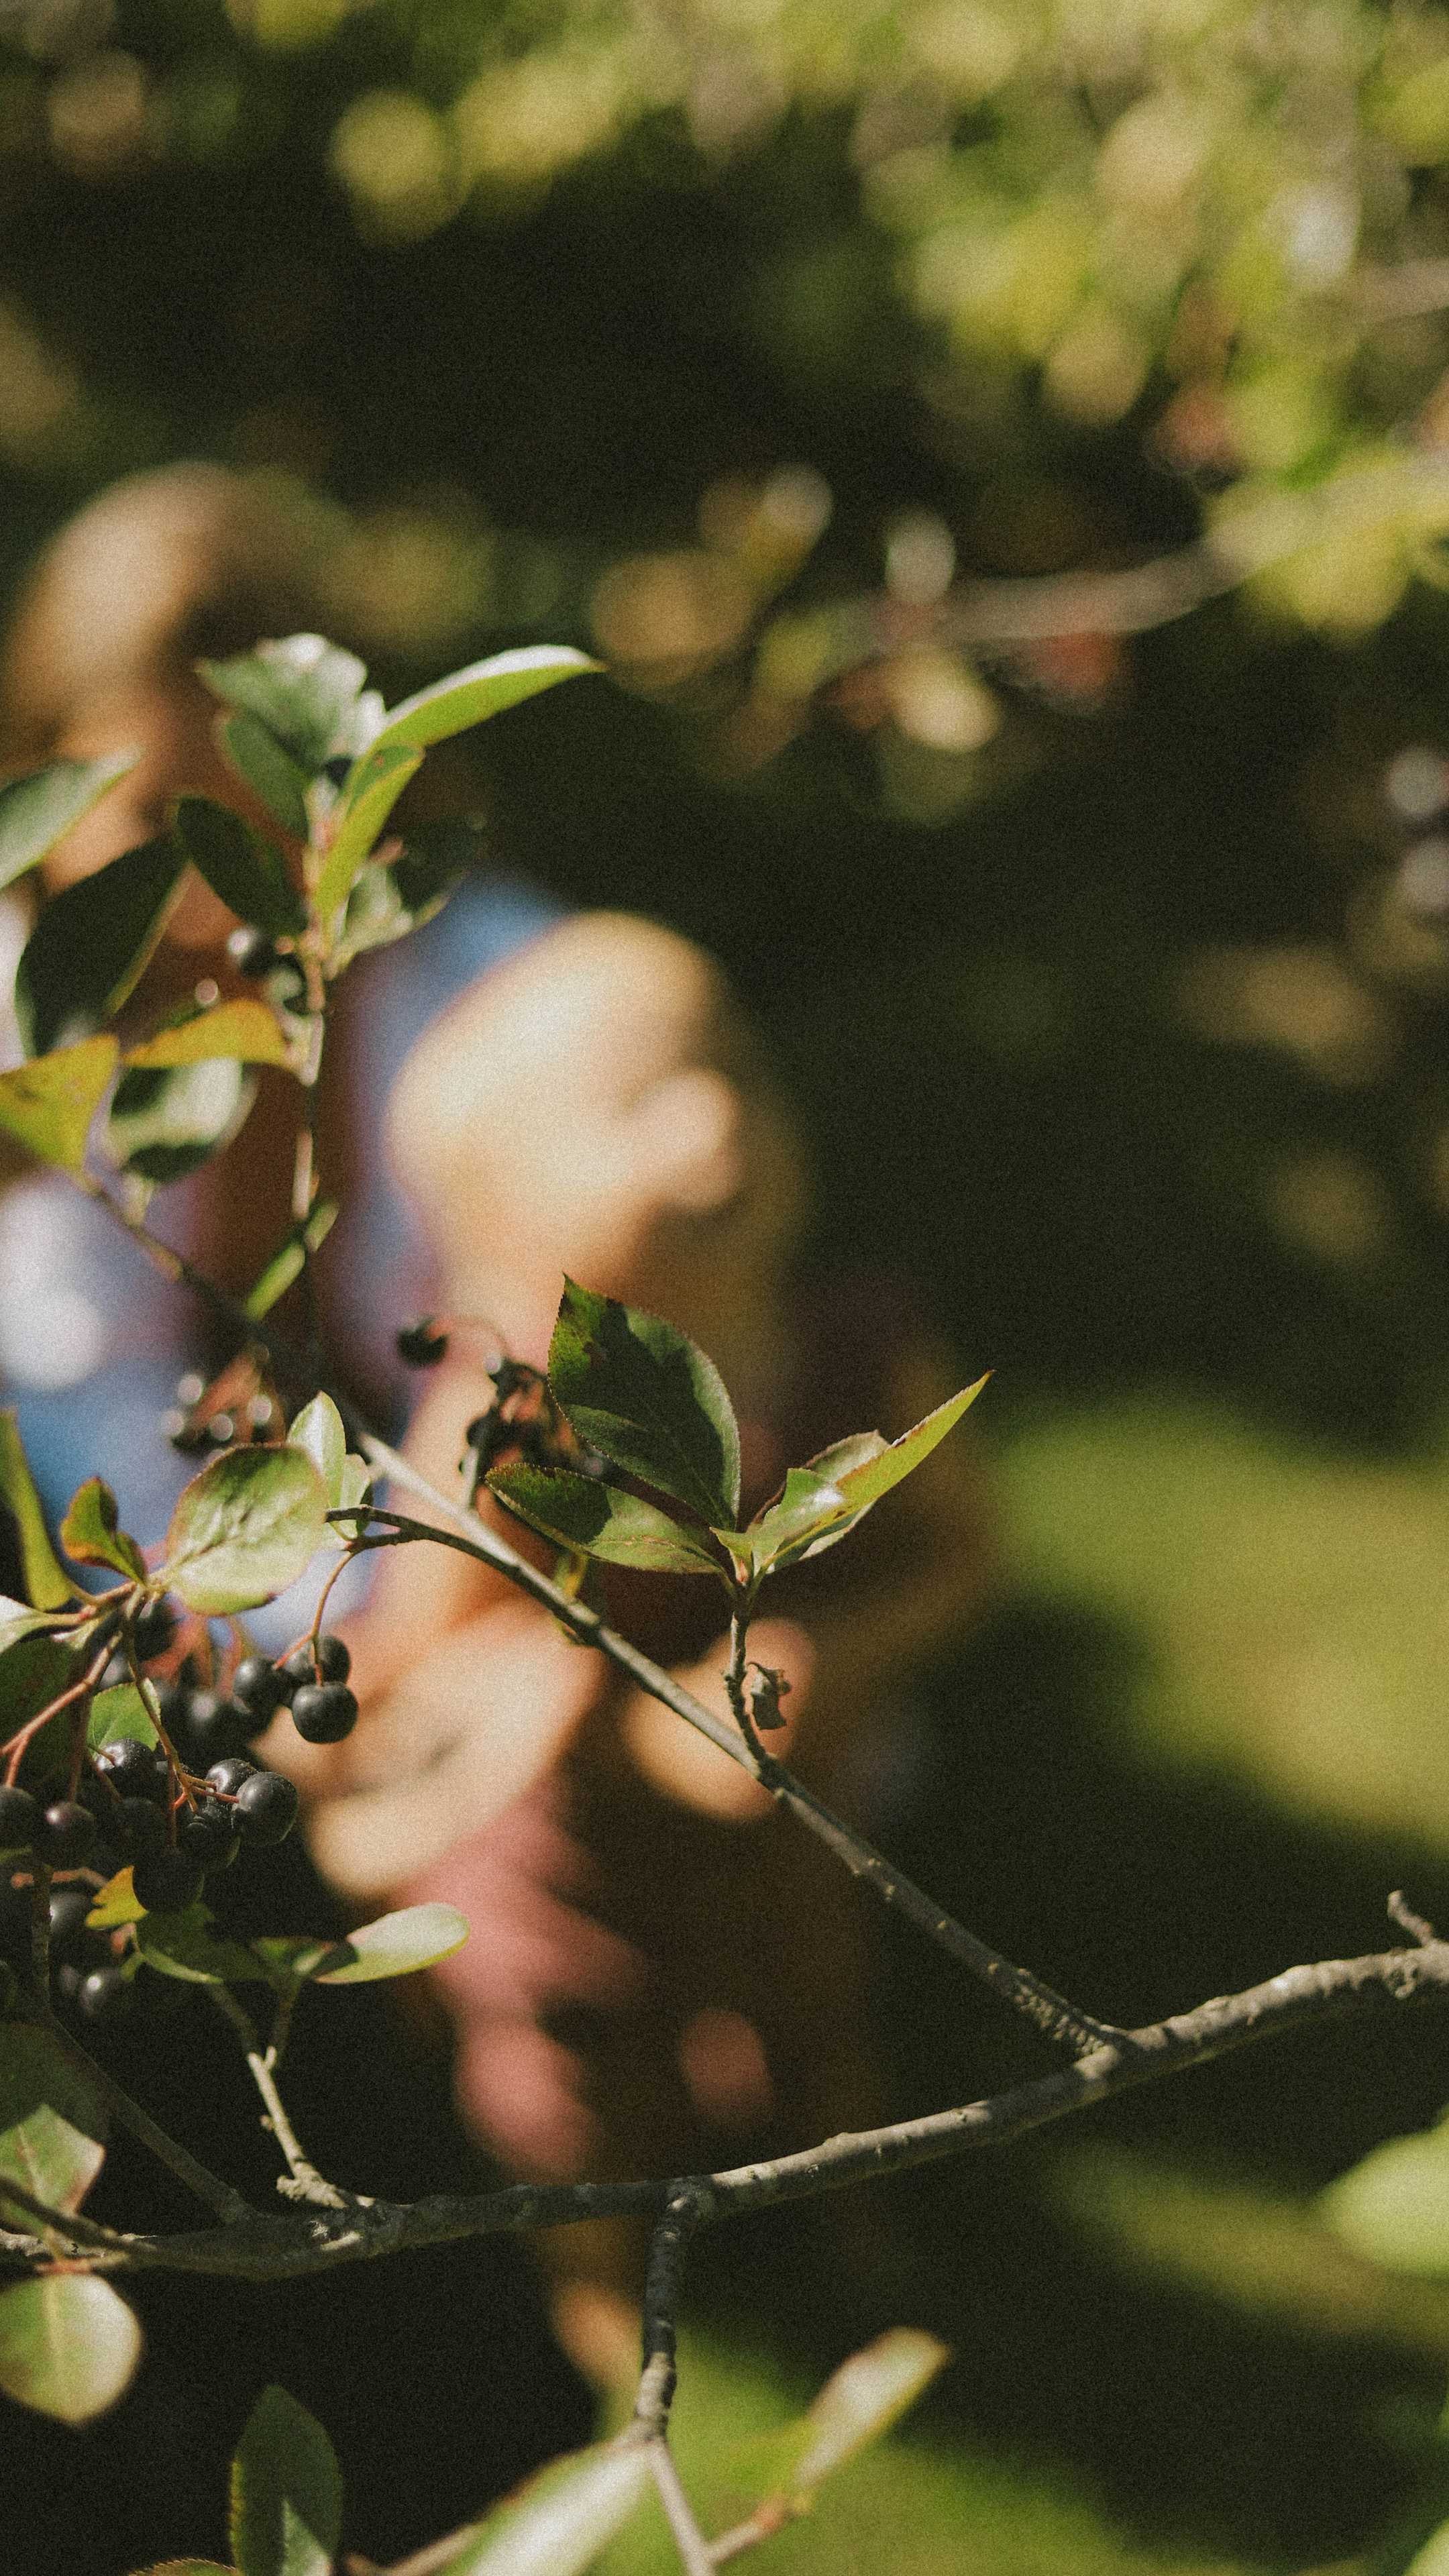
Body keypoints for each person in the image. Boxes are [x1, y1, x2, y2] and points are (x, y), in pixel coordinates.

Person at [0, 464, 991, 2399]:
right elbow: (77, 1387)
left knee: (682, 1832)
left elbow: (584, 1331)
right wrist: (307, 1635)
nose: (205, 898)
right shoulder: (52, 1041)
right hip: (285, 1564)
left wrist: (449, 1610)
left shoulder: (503, 1003)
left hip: (497, 1513)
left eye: (254, 830)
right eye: (139, 824)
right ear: (52, 797)